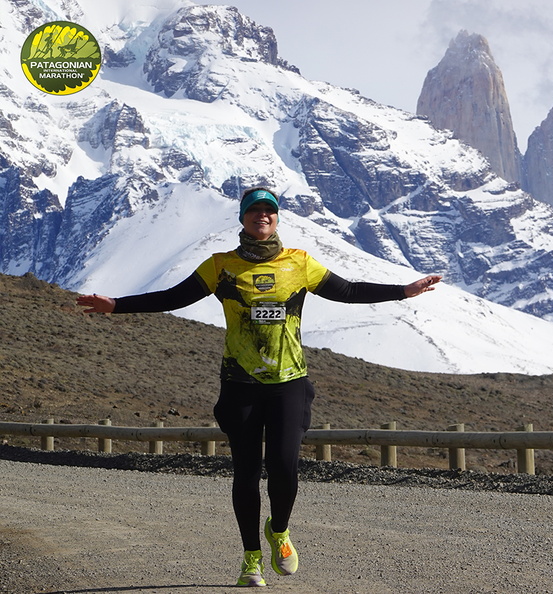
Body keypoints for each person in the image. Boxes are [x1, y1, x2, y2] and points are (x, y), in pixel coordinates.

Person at [77, 187, 441, 587]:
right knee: (246, 473)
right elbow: (173, 297)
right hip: (240, 384)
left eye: (269, 210)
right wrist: (117, 305)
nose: (262, 215)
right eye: (254, 210)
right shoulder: (221, 266)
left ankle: (279, 531)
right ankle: (251, 558)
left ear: (277, 218)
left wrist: (403, 291)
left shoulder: (299, 263)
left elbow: (349, 291)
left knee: (284, 467)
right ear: (243, 218)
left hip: (289, 383)